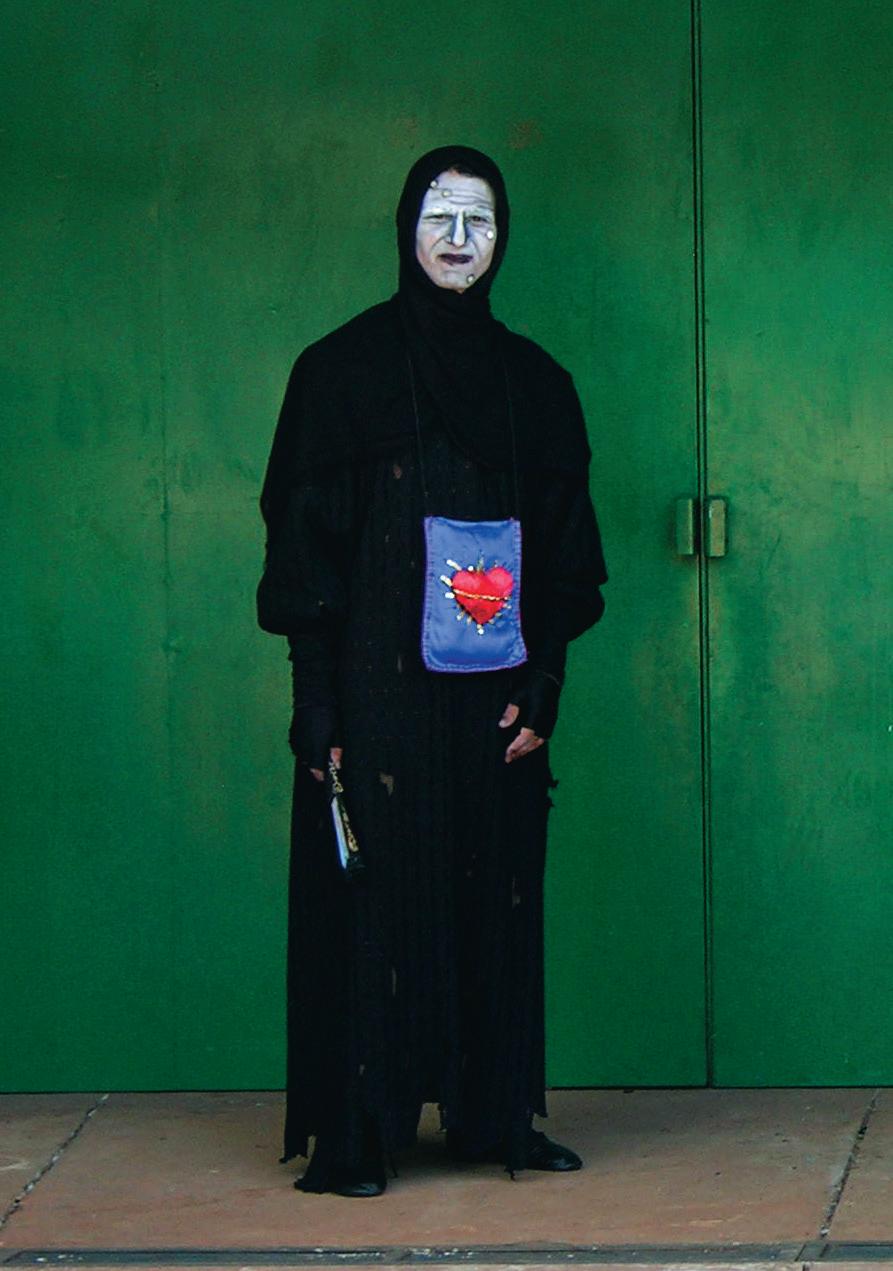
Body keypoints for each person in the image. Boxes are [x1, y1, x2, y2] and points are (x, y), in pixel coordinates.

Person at [257, 145, 607, 1197]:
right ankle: (356, 1130)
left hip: (492, 696)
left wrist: (544, 686)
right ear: (405, 225)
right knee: (371, 901)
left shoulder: (534, 384)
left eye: (481, 220)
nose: (459, 241)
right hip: (374, 692)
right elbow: (303, 555)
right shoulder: (339, 373)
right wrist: (316, 703)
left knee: (492, 894)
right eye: (440, 217)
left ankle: (490, 1114)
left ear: (504, 238)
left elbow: (564, 560)